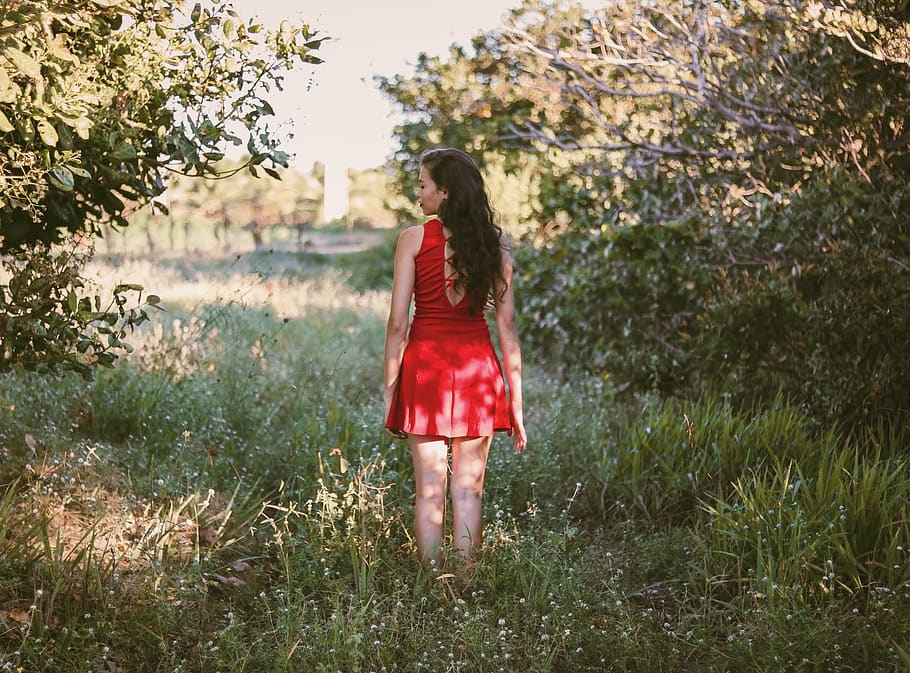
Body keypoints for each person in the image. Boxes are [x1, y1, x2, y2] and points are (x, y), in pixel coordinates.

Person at [383, 147, 527, 571]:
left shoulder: (413, 239)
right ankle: (464, 583)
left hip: (425, 370)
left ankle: (431, 585)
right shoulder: (495, 248)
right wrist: (515, 405)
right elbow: (508, 331)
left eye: (423, 185)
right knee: (468, 490)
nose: (418, 194)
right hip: (478, 374)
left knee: (430, 488)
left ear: (444, 192)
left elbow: (397, 323)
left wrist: (392, 385)